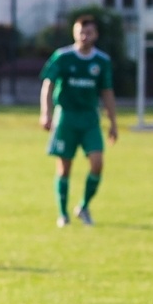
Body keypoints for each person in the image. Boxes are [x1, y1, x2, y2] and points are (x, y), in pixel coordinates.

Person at [39, 15, 118, 227]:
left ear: (96, 35)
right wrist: (46, 112)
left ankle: (83, 207)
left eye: (88, 33)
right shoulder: (63, 57)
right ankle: (63, 214)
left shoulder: (102, 61)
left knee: (97, 163)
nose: (84, 36)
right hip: (66, 117)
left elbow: (107, 92)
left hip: (90, 119)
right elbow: (48, 84)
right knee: (64, 168)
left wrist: (113, 123)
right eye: (80, 32)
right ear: (74, 33)